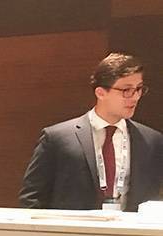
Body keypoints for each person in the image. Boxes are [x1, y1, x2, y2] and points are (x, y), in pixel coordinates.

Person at [20, 53, 162, 211]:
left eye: (138, 89)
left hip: (131, 226)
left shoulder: (152, 140)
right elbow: (32, 198)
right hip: (74, 226)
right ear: (101, 93)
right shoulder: (57, 138)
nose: (135, 97)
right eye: (126, 90)